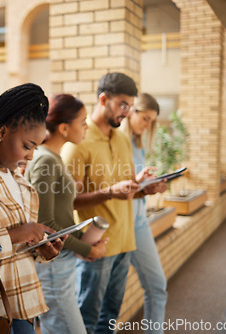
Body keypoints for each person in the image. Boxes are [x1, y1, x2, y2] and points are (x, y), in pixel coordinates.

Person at [61, 72, 164, 334]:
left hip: (125, 240)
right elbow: (68, 202)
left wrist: (145, 188)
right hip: (97, 245)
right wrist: (109, 192)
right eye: (122, 105)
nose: (127, 112)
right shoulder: (79, 141)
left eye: (130, 106)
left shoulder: (121, 138)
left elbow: (127, 187)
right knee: (87, 318)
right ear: (103, 99)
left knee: (109, 317)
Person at [0, 83, 65, 334]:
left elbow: (19, 249)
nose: (30, 156)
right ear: (2, 131)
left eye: (35, 148)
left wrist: (41, 249)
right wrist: (17, 235)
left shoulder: (18, 178)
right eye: (27, 146)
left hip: (25, 308)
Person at [25, 93, 108, 334]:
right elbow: (45, 224)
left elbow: (60, 213)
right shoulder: (46, 161)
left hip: (60, 261)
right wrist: (88, 249)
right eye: (82, 122)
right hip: (54, 262)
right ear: (63, 127)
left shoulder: (52, 158)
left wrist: (84, 240)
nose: (86, 127)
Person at [120, 93, 168, 334]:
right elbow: (115, 185)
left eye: (152, 121)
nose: (147, 124)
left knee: (158, 285)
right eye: (145, 118)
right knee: (107, 300)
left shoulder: (138, 144)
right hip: (119, 225)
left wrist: (153, 184)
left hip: (139, 221)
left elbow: (135, 185)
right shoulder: (118, 141)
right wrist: (139, 184)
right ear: (132, 111)